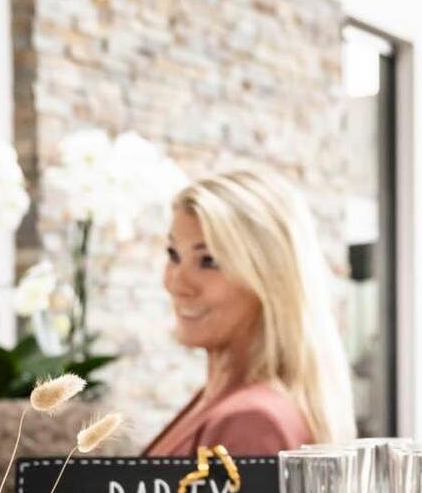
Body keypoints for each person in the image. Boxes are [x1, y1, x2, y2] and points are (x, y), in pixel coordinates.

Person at [142, 168, 355, 456]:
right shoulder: (218, 399)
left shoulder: (252, 423)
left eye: (208, 261)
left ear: (268, 277)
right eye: (173, 255)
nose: (176, 283)